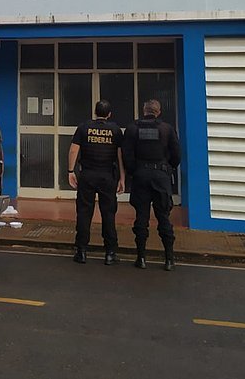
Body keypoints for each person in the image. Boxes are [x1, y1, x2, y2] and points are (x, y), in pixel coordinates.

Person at [123, 99, 181, 271]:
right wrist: (167, 169)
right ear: (159, 111)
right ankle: (169, 259)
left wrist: (134, 171)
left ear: (144, 111)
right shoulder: (167, 129)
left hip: (141, 175)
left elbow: (127, 154)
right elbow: (177, 155)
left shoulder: (132, 128)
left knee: (141, 217)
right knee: (163, 217)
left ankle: (141, 258)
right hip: (161, 176)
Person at [68, 100, 125, 265]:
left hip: (87, 175)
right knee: (109, 214)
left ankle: (81, 251)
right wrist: (122, 178)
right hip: (107, 176)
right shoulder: (115, 130)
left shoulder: (84, 127)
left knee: (84, 213)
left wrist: (70, 171)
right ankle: (110, 253)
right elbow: (120, 156)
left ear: (95, 112)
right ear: (109, 114)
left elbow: (73, 150)